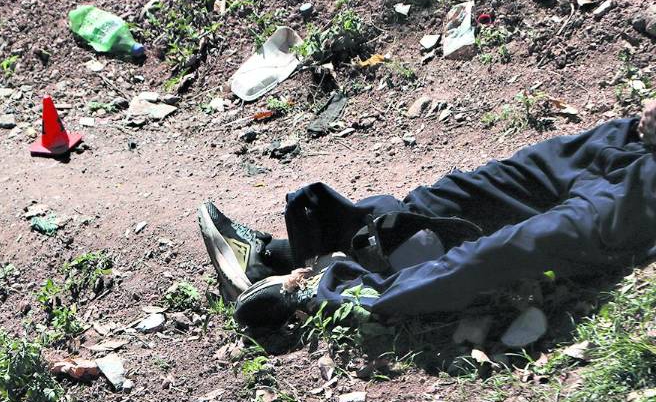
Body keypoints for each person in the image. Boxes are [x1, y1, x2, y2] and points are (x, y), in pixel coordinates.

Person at [201, 102, 656, 332]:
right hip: (632, 141)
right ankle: (275, 259)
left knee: (518, 245)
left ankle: (328, 292)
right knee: (451, 201)